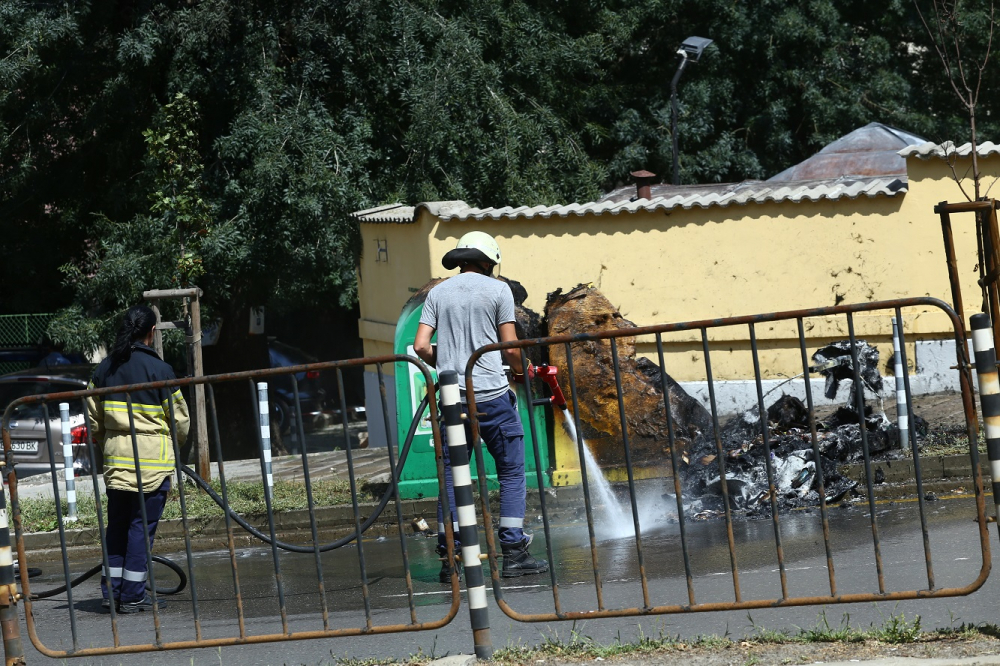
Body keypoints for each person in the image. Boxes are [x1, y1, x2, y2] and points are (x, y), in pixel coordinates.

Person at [413, 231, 548, 581]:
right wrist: (524, 371)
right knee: (511, 473)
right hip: (492, 399)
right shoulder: (498, 290)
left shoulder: (438, 292)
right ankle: (514, 552)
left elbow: (421, 347)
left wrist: (452, 362)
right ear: (489, 262)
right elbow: (512, 348)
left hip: (452, 400)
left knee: (452, 479)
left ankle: (450, 560)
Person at [87, 305, 189, 613]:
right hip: (152, 466)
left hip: (116, 463)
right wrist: (174, 445)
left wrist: (105, 442)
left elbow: (93, 420)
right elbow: (180, 421)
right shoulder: (160, 370)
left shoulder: (104, 369)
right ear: (152, 332)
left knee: (117, 527)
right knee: (139, 529)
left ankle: (112, 592)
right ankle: (132, 595)